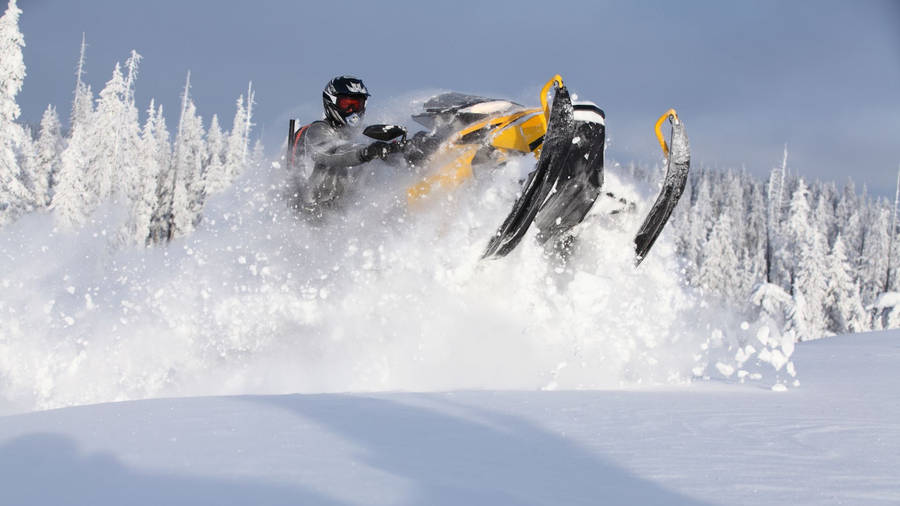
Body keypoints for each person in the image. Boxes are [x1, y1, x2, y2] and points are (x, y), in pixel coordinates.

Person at [288, 75, 397, 216]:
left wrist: (400, 148)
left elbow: (377, 149)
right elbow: (332, 152)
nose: (353, 111)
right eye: (347, 104)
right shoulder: (318, 130)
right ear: (331, 102)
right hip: (314, 212)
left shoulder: (363, 133)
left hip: (352, 212)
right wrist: (367, 152)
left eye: (357, 105)